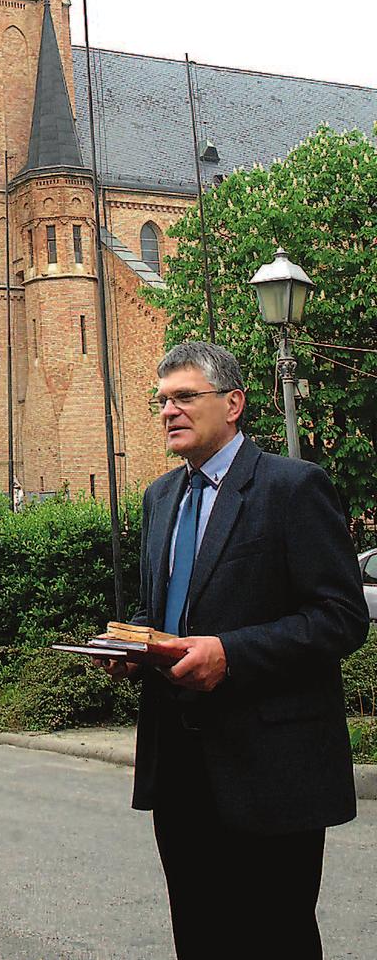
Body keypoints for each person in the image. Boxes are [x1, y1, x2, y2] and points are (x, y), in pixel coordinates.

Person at [114, 341, 369, 960]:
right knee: (199, 936)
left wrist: (231, 652)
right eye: (162, 400)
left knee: (272, 937)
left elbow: (341, 618)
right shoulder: (159, 498)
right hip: (179, 768)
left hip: (271, 770)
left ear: (234, 404)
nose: (169, 410)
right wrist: (135, 643)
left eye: (184, 397)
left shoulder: (292, 488)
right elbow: (168, 608)